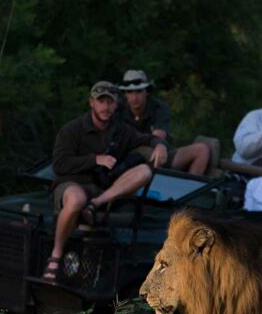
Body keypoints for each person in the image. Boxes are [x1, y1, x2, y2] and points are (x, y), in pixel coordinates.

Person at [44, 81, 162, 281]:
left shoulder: (121, 130)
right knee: (76, 200)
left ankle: (96, 204)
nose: (105, 107)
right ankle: (56, 254)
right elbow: (60, 165)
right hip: (72, 184)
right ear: (91, 102)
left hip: (104, 190)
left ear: (116, 105)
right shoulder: (72, 129)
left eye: (110, 102)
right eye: (101, 101)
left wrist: (160, 145)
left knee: (144, 171)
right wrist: (95, 159)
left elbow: (148, 139)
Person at [115, 69, 211, 175]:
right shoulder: (117, 110)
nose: (134, 97)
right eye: (130, 92)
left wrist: (160, 146)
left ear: (147, 91)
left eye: (139, 91)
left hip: (157, 151)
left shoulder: (159, 107)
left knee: (202, 149)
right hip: (129, 157)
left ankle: (189, 185)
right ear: (125, 94)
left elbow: (158, 137)